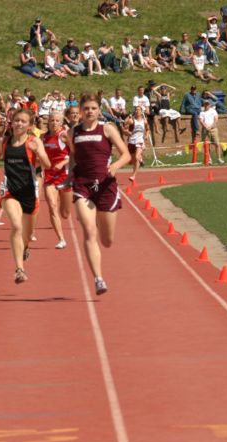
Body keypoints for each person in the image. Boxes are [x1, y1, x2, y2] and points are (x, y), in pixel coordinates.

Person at [66, 93, 131, 295]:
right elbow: (73, 158)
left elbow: (126, 154)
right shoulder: (73, 132)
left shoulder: (108, 129)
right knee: (89, 230)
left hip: (105, 186)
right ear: (80, 111)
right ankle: (98, 279)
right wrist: (69, 177)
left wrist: (116, 165)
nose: (89, 111)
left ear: (98, 110)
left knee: (107, 240)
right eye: (86, 108)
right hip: (82, 185)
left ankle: (103, 249)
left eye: (93, 108)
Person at [0, 109, 51, 283]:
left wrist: (38, 153)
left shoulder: (34, 141)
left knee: (27, 233)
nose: (18, 123)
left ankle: (25, 246)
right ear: (11, 122)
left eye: (23, 121)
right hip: (10, 190)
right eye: (16, 120)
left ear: (30, 125)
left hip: (29, 193)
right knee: (16, 226)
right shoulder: (5, 141)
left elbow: (47, 164)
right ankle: (19, 270)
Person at [41, 111, 72, 249]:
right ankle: (61, 239)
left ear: (61, 122)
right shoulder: (43, 137)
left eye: (57, 121)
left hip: (64, 176)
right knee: (52, 207)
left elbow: (76, 154)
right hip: (49, 176)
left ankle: (64, 212)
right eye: (52, 120)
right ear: (48, 122)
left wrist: (63, 162)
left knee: (65, 213)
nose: (54, 123)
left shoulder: (64, 135)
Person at [125, 105, 147, 180]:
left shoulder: (144, 121)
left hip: (140, 141)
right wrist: (127, 132)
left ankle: (134, 175)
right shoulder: (131, 120)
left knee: (137, 157)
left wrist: (146, 135)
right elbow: (125, 129)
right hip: (131, 141)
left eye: (139, 110)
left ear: (141, 112)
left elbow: (147, 130)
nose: (137, 111)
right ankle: (139, 162)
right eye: (136, 110)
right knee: (134, 160)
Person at [199, 99, 223, 164]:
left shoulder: (213, 111)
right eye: (205, 104)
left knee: (217, 144)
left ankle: (219, 158)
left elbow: (216, 119)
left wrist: (211, 126)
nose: (206, 105)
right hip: (205, 130)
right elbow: (201, 120)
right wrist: (206, 127)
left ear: (209, 105)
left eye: (207, 104)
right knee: (207, 145)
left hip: (213, 129)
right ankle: (209, 159)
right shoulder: (202, 112)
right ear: (203, 105)